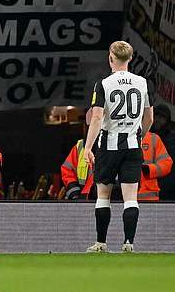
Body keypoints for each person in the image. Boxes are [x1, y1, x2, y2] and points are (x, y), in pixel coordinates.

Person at [84, 40, 153, 253]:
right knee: (130, 197)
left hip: (108, 145)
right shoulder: (143, 83)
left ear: (110, 57)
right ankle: (129, 243)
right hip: (133, 146)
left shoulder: (103, 84)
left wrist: (88, 147)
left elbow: (96, 118)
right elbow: (149, 118)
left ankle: (101, 243)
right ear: (130, 58)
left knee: (103, 194)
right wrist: (138, 135)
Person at [61, 108, 95, 200]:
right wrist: (74, 193)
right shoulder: (80, 147)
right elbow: (67, 170)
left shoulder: (116, 145)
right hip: (83, 199)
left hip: (108, 200)